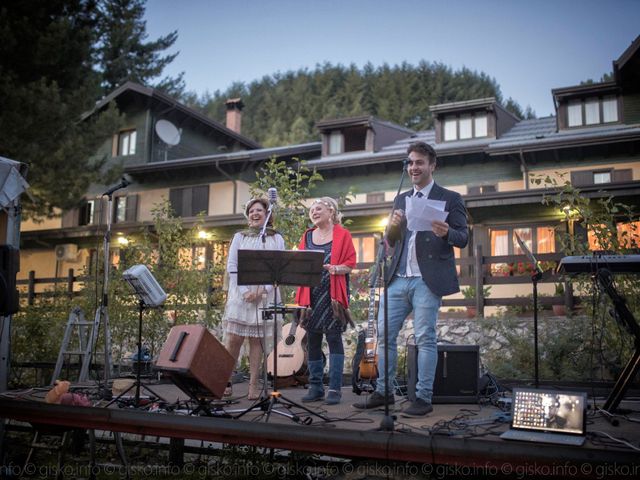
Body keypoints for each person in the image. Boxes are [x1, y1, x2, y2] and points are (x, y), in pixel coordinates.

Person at [353, 141, 468, 416]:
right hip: (398, 278)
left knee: (425, 337)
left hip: (427, 281)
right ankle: (384, 392)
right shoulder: (401, 198)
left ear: (432, 165)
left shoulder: (451, 198)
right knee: (383, 335)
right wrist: (391, 227)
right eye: (410, 162)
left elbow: (463, 238)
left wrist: (446, 233)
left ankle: (423, 399)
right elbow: (391, 242)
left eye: (419, 162)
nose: (413, 167)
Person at [222, 197, 285, 400]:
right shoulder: (239, 236)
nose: (254, 214)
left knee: (257, 340)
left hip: (265, 296)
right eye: (251, 211)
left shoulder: (276, 238)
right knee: (233, 339)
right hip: (241, 295)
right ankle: (225, 380)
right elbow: (232, 265)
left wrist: (262, 290)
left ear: (267, 214)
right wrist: (245, 291)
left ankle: (253, 385)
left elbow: (279, 267)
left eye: (259, 210)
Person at [295, 197, 356, 405]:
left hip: (332, 296)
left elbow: (350, 263)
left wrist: (336, 269)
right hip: (310, 295)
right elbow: (300, 262)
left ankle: (335, 389)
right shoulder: (307, 235)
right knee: (312, 340)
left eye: (318, 208)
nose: (314, 212)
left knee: (333, 339)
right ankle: (315, 387)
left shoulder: (343, 234)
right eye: (312, 209)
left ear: (331, 211)